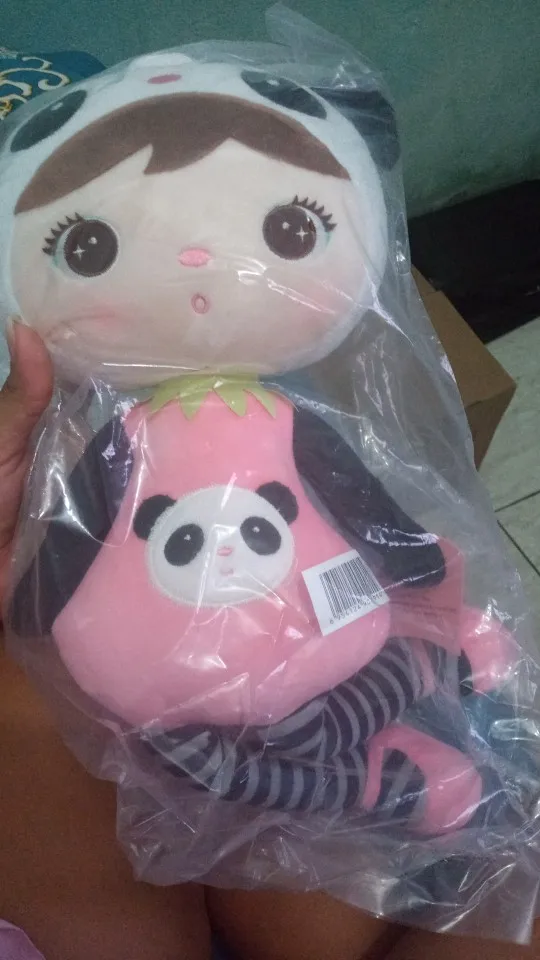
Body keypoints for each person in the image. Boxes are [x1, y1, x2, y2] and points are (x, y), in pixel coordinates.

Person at [0, 318, 538, 960]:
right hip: (214, 740)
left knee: (309, 904)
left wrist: (30, 601)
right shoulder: (137, 443)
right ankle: (427, 681)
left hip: (196, 754)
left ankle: (426, 680)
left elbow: (357, 497)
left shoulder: (222, 428)